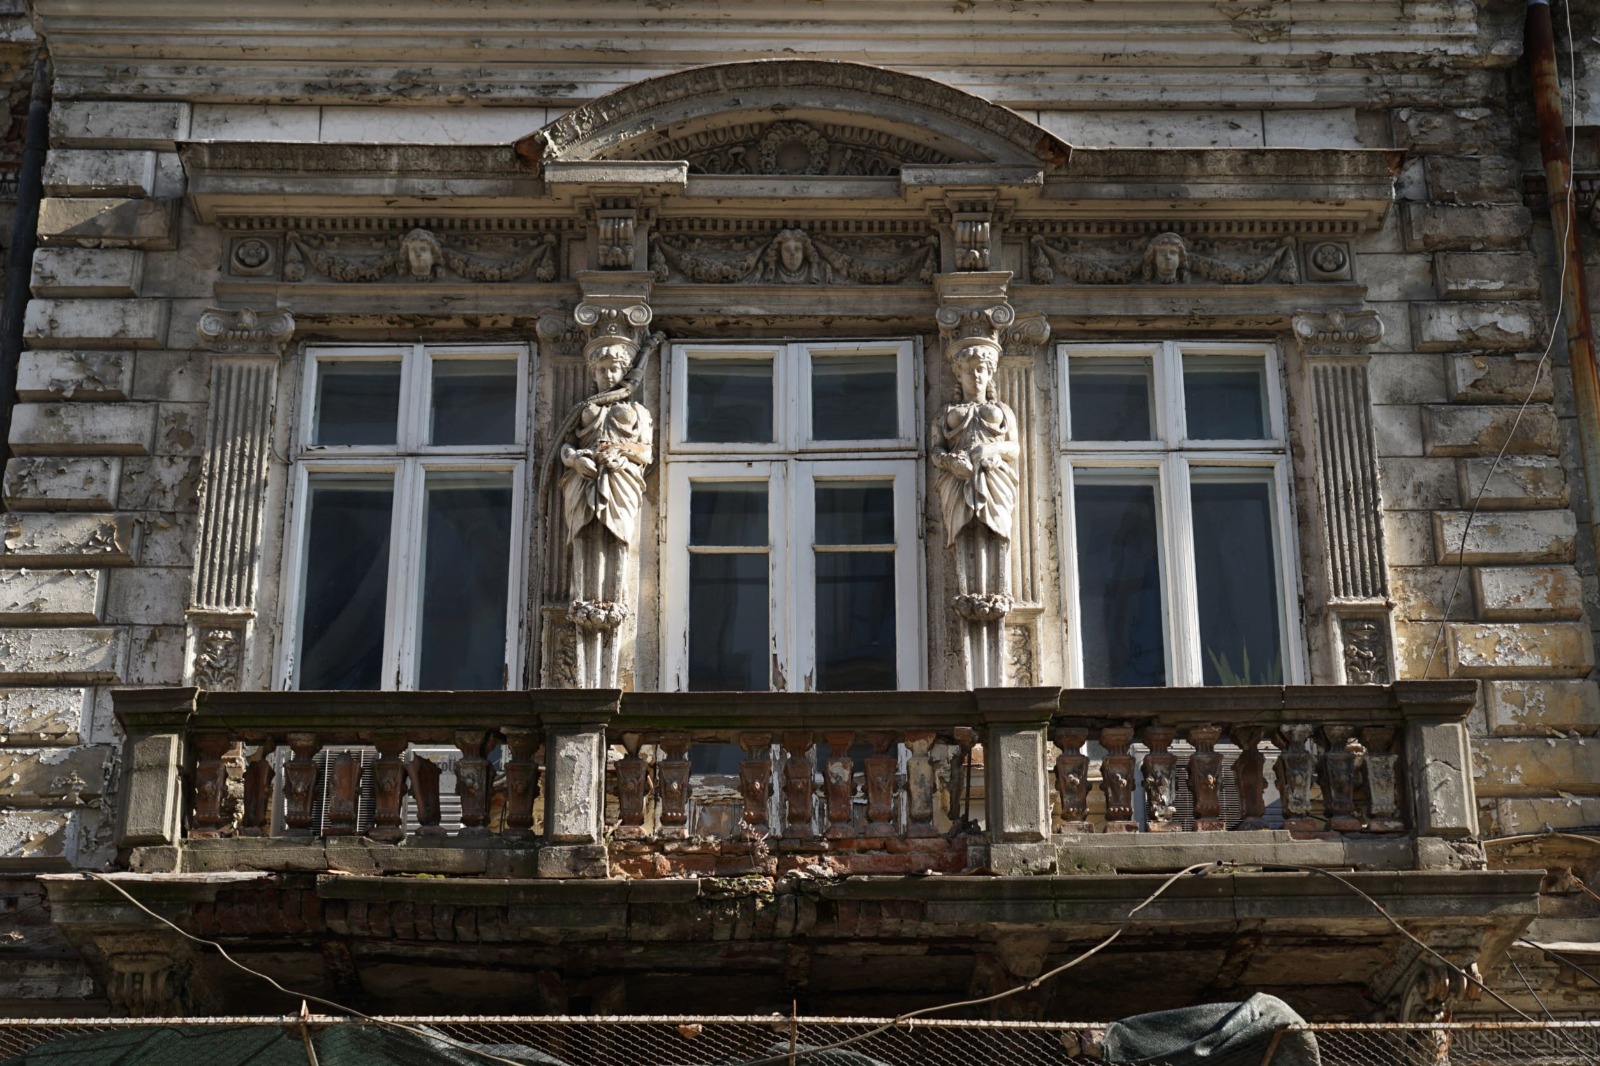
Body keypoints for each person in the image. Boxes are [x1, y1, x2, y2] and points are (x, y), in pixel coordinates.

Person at [560, 336, 655, 687]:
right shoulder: (585, 408)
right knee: (583, 536)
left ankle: (613, 605)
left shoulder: (638, 411)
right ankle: (583, 603)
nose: (608, 375)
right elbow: (563, 446)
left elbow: (645, 452)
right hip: (583, 480)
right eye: (601, 370)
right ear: (592, 373)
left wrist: (621, 453)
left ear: (625, 370)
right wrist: (575, 459)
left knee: (617, 538)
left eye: (613, 369)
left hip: (620, 479)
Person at [931, 327, 1019, 685]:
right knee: (962, 533)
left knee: (995, 531)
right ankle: (967, 593)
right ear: (959, 374)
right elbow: (935, 450)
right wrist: (950, 463)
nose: (976, 376)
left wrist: (992, 450)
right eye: (969, 371)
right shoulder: (948, 412)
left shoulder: (1001, 410)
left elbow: (1014, 447)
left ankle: (996, 593)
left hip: (995, 479)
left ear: (990, 373)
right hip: (958, 481)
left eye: (981, 370)